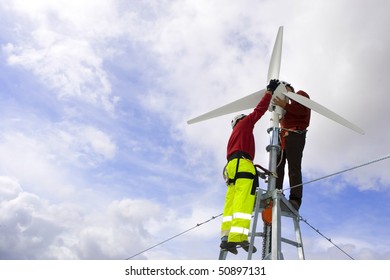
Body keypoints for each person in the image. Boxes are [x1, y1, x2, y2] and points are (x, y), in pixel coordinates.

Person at [220, 79, 279, 255]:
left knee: (230, 204)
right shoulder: (244, 125)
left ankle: (226, 238)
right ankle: (238, 237)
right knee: (243, 202)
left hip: (231, 168)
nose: (248, 120)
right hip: (243, 165)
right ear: (241, 120)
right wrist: (269, 92)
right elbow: (258, 111)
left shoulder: (233, 136)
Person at [272, 82, 311, 211]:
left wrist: (285, 105)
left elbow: (302, 111)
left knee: (293, 167)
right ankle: (275, 192)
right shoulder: (284, 107)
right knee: (277, 166)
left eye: (284, 88)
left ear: (290, 89)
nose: (282, 91)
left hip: (295, 134)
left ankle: (295, 199)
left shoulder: (299, 95)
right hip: (282, 136)